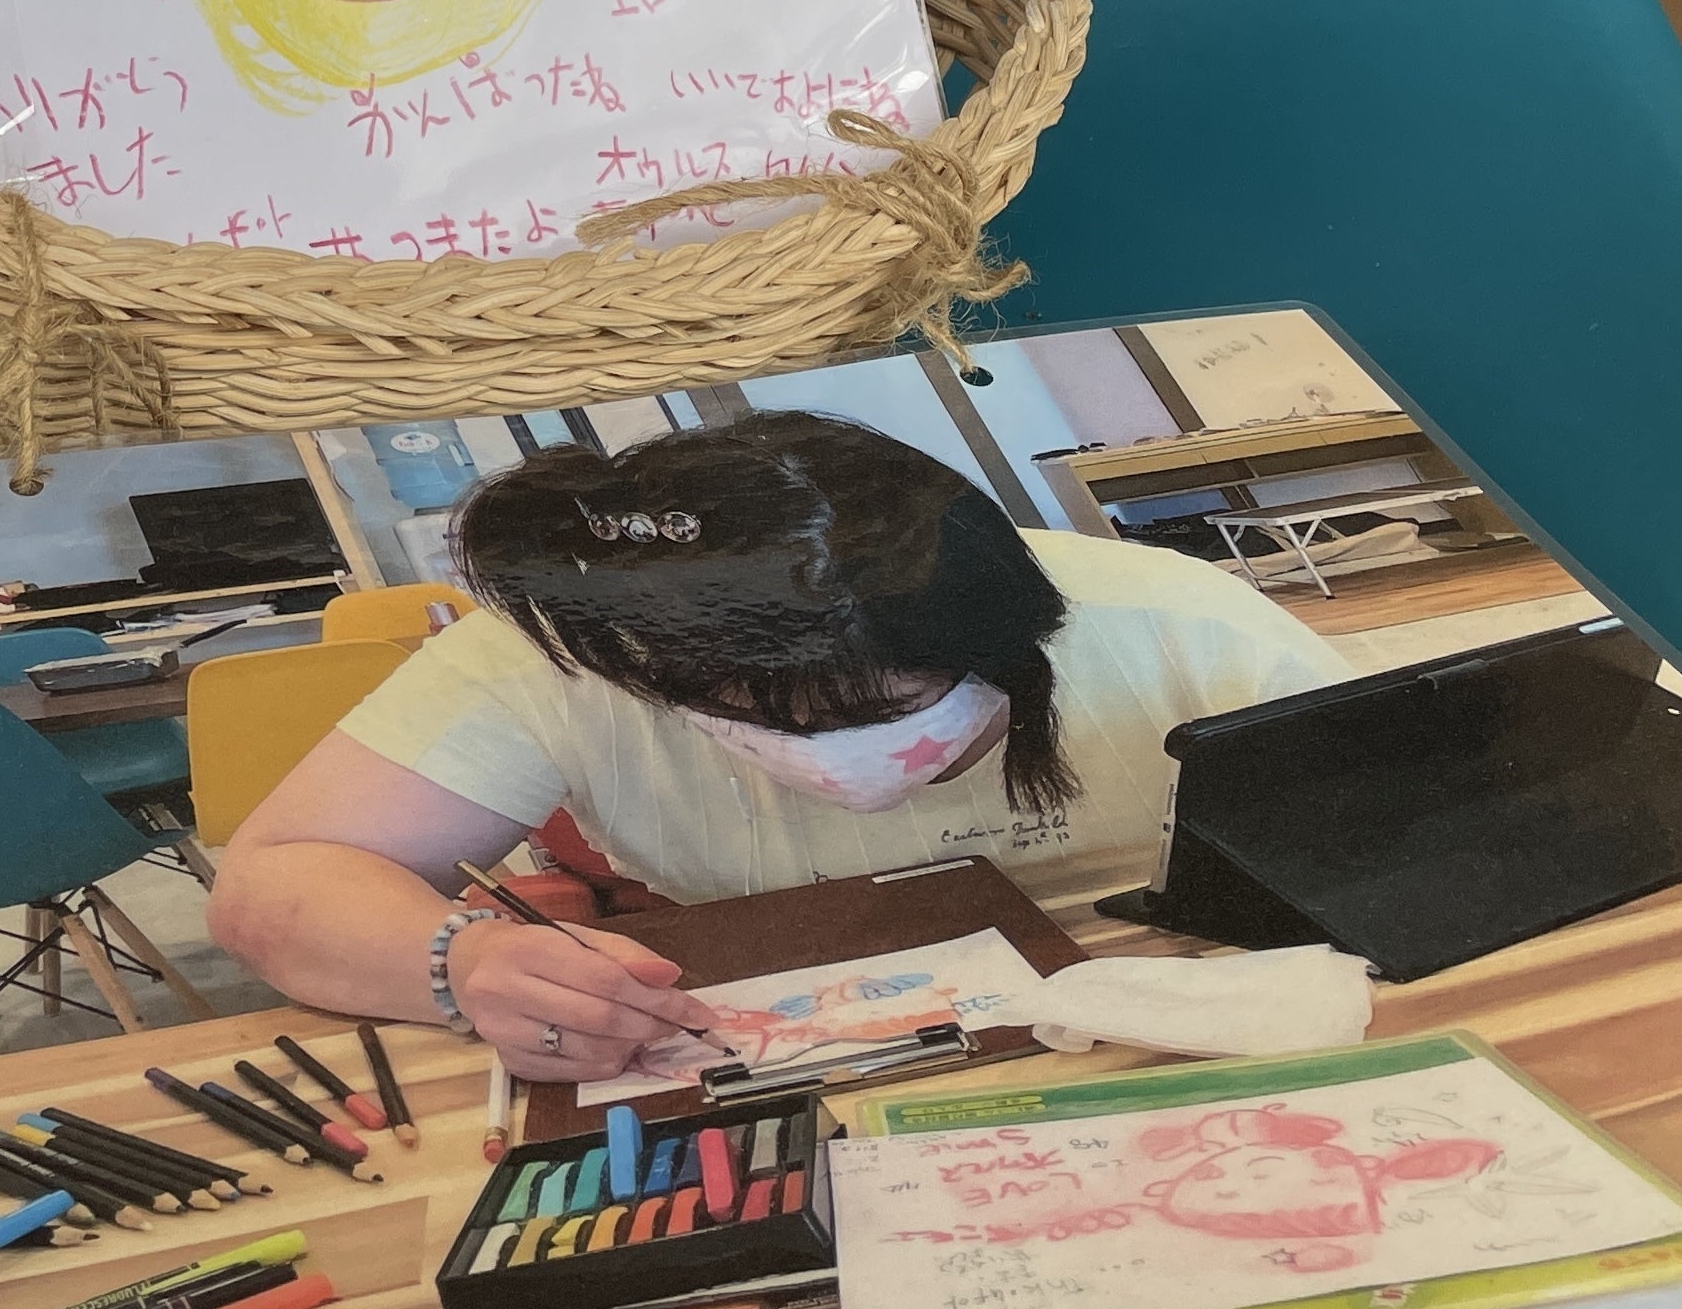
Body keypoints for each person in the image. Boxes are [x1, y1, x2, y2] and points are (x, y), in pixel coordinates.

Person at [204, 411, 1349, 1079]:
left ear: (1007, 644)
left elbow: (1414, 818)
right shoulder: (563, 653)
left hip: (1194, 1020)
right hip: (807, 1050)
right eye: (743, 714)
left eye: (875, 709)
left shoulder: (1178, 624)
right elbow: (273, 882)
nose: (822, 756)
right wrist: (461, 962)